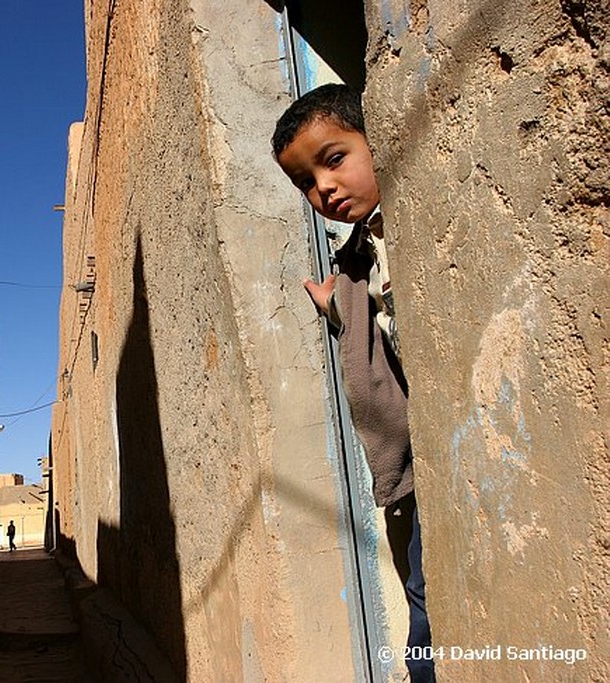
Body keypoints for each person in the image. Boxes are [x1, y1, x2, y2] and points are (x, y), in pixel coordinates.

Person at [272, 83, 434, 683]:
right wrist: (341, 309)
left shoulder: (419, 213)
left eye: (334, 159)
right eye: (306, 183)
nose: (324, 189)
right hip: (420, 477)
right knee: (425, 604)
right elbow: (380, 329)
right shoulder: (360, 256)